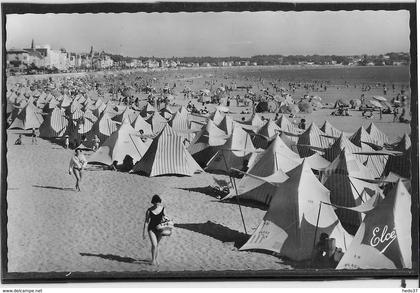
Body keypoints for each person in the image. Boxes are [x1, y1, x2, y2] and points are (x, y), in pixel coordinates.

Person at [143, 194, 166, 266]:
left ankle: (156, 259)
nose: (157, 204)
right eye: (156, 202)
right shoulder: (149, 210)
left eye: (158, 202)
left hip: (160, 229)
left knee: (157, 245)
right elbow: (146, 222)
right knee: (154, 244)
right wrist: (143, 232)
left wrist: (167, 227)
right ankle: (153, 261)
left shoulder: (163, 209)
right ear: (153, 202)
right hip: (151, 229)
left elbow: (166, 219)